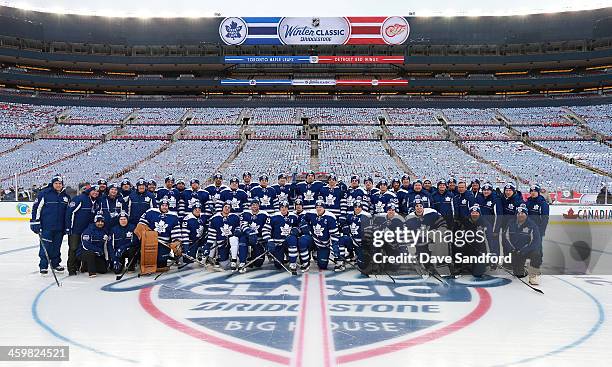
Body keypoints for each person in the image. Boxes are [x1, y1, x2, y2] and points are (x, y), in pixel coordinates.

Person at [30, 174, 70, 275]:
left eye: (60, 183)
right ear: (52, 184)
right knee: (45, 247)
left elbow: (68, 213)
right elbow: (36, 208)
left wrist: (67, 226)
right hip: (47, 226)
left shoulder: (66, 197)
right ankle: (43, 266)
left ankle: (55, 264)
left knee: (57, 246)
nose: (58, 185)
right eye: (56, 183)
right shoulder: (44, 194)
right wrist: (35, 222)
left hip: (60, 227)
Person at [138, 197, 183, 271]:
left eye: (166, 205)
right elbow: (142, 223)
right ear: (159, 205)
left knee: (161, 264)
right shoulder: (151, 211)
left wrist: (176, 241)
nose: (164, 207)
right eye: (163, 205)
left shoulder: (173, 216)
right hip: (151, 240)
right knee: (149, 259)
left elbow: (176, 230)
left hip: (164, 242)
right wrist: (145, 231)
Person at [65, 185, 100, 275]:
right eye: (93, 191)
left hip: (87, 231)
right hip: (76, 230)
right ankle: (72, 268)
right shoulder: (80, 199)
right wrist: (69, 227)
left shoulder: (95, 202)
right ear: (89, 191)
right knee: (73, 248)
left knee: (83, 248)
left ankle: (79, 266)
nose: (95, 193)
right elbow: (70, 212)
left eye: (97, 192)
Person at [504, 204, 542, 285]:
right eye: (518, 213)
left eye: (522, 213)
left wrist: (524, 250)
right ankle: (524, 269)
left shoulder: (532, 225)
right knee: (518, 274)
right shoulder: (511, 223)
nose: (520, 215)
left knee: (536, 254)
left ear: (526, 214)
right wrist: (512, 249)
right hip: (515, 251)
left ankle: (533, 276)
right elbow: (505, 238)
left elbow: (536, 241)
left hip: (526, 251)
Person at [298, 199, 340, 272]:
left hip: (323, 244)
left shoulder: (330, 217)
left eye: (320, 207)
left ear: (324, 207)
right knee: (302, 240)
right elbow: (303, 219)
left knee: (322, 265)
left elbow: (334, 234)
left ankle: (317, 253)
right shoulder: (311, 213)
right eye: (317, 207)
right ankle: (305, 263)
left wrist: (335, 246)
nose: (318, 208)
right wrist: (304, 224)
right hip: (313, 239)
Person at [457, 205, 494, 277]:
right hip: (468, 248)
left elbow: (489, 239)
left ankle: (482, 264)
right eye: (473, 213)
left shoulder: (485, 223)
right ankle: (464, 264)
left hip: (480, 249)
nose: (474, 214)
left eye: (476, 213)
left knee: (477, 273)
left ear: (479, 214)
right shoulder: (465, 223)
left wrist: (490, 254)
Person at [264, 201, 300, 274]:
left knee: (292, 239)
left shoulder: (294, 216)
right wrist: (269, 240)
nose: (284, 209)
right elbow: (265, 229)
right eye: (282, 207)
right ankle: (283, 256)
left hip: (288, 242)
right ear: (279, 208)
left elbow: (299, 227)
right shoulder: (273, 217)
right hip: (278, 243)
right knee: (278, 265)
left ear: (288, 208)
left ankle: (293, 263)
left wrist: (296, 230)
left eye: (285, 207)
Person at [204, 201, 241, 269]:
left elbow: (238, 229)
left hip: (233, 242)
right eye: (225, 207)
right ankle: (220, 258)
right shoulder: (214, 218)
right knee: (224, 265)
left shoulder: (235, 217)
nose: (227, 209)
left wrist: (237, 232)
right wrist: (207, 246)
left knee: (233, 239)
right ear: (222, 208)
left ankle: (234, 260)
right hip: (221, 243)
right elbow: (211, 235)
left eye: (229, 207)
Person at [236, 198, 270, 271]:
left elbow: (267, 227)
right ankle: (242, 261)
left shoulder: (264, 214)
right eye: (253, 205)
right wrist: (250, 232)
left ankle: (252, 257)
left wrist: (267, 239)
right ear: (250, 206)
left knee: (258, 263)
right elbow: (242, 225)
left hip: (259, 239)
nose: (254, 206)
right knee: (242, 239)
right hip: (248, 237)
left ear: (259, 206)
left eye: (256, 205)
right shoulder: (245, 213)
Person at [338, 200, 372, 270]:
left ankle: (359, 255)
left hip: (362, 243)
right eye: (355, 206)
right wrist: (345, 227)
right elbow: (345, 224)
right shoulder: (350, 215)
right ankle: (341, 261)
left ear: (362, 207)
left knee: (362, 266)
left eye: (359, 207)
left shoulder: (367, 216)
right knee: (342, 239)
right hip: (353, 240)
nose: (357, 208)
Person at [477, 182, 503, 257]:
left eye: (488, 190)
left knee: (493, 246)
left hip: (492, 227)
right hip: (482, 227)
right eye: (484, 190)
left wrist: (495, 229)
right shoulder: (479, 198)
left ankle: (494, 263)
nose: (486, 191)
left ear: (491, 191)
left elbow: (499, 216)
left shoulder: (495, 199)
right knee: (484, 245)